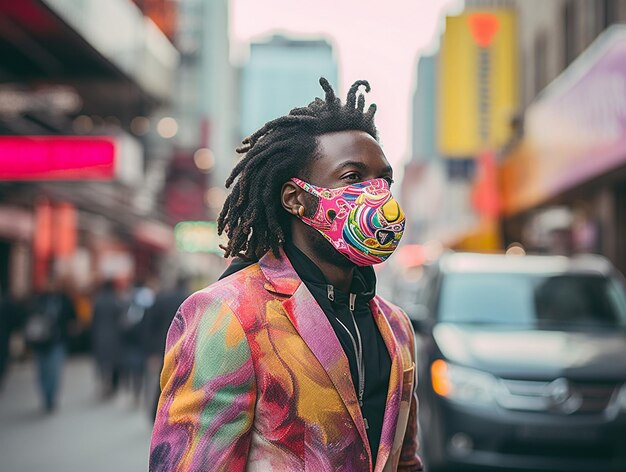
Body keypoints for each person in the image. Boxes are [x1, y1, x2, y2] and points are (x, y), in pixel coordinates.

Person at [150, 78, 422, 471]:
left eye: (383, 180)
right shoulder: (227, 316)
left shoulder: (397, 327)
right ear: (297, 199)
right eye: (352, 177)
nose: (377, 194)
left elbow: (405, 460)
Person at [25, 280, 76, 412]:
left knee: (54, 370)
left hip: (57, 341)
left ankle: (51, 397)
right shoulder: (38, 301)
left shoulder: (64, 300)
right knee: (42, 371)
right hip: (40, 342)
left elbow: (71, 318)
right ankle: (45, 396)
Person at [91, 279, 123, 398]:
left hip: (100, 335)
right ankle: (112, 384)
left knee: (102, 361)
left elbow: (93, 320)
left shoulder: (98, 301)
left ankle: (104, 381)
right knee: (114, 361)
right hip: (114, 336)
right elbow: (120, 319)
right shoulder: (116, 301)